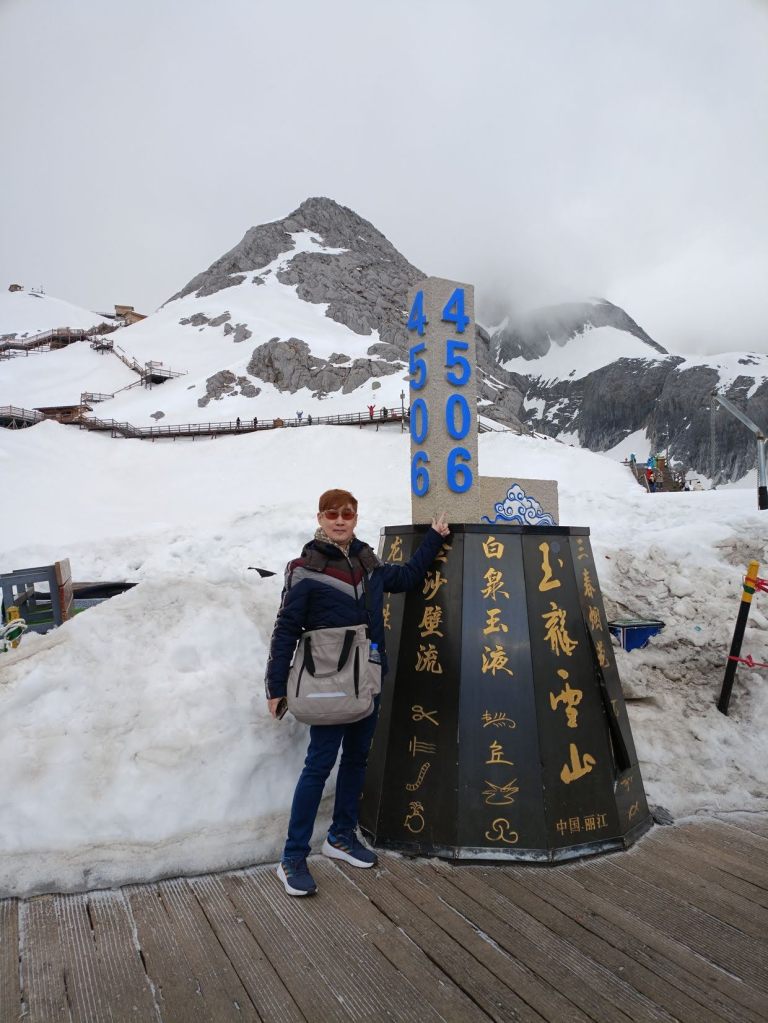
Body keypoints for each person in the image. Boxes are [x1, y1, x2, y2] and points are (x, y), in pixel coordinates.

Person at [265, 488, 449, 897]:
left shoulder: (369, 563)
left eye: (347, 513)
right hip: (328, 682)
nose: (339, 520)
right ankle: (292, 857)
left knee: (356, 759)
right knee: (319, 765)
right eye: (332, 513)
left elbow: (407, 578)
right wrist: (275, 686)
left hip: (367, 679)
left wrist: (434, 538)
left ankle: (341, 836)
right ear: (320, 517)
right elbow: (286, 629)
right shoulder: (304, 569)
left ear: (355, 517)